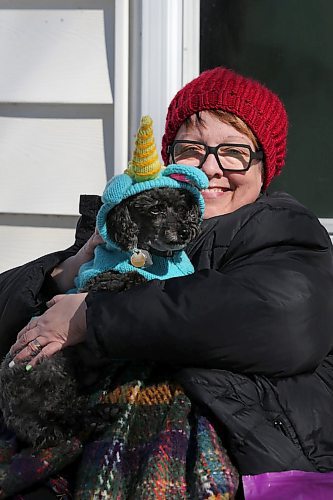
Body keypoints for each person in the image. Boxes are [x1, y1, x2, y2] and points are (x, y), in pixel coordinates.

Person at [1, 66, 333, 497]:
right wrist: (60, 275)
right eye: (192, 148)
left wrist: (89, 317)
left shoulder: (283, 232)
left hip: (230, 451)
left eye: (234, 151)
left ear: (264, 168)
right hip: (78, 433)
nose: (211, 168)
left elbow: (279, 316)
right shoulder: (127, 223)